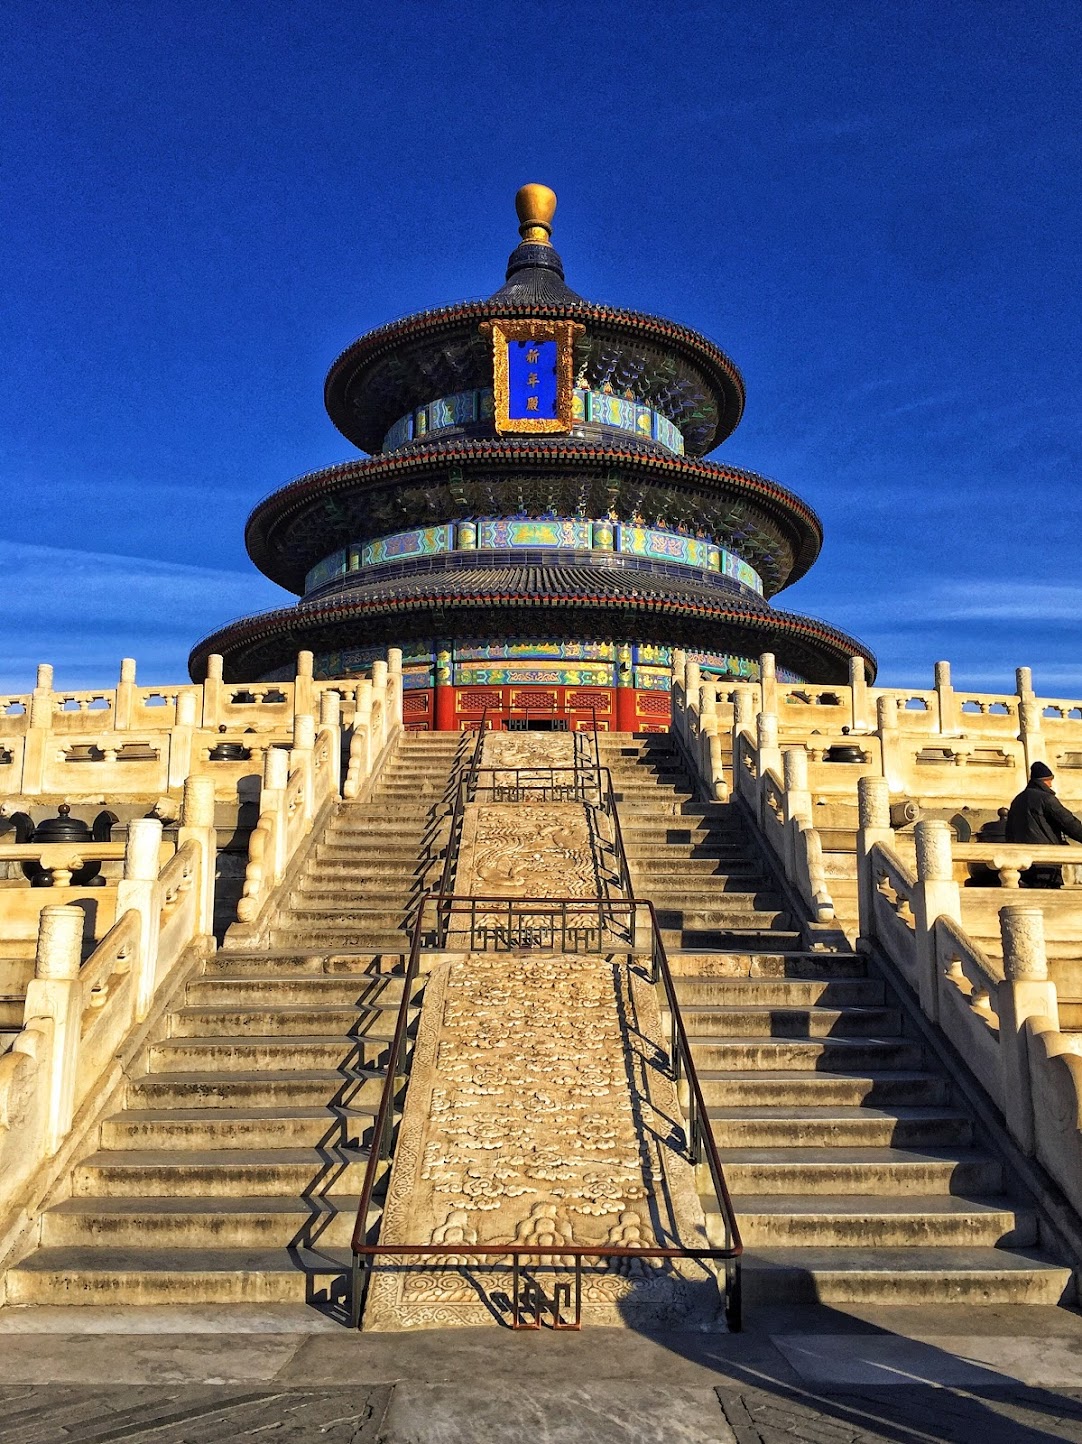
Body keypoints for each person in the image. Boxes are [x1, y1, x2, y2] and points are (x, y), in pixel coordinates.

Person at [1005, 761, 1082, 888]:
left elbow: (1009, 830)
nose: (1051, 785)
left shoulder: (1018, 800)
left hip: (1022, 861)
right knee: (1051, 898)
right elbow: (1068, 823)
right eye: (1049, 780)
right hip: (1045, 861)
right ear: (1043, 781)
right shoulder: (1046, 799)